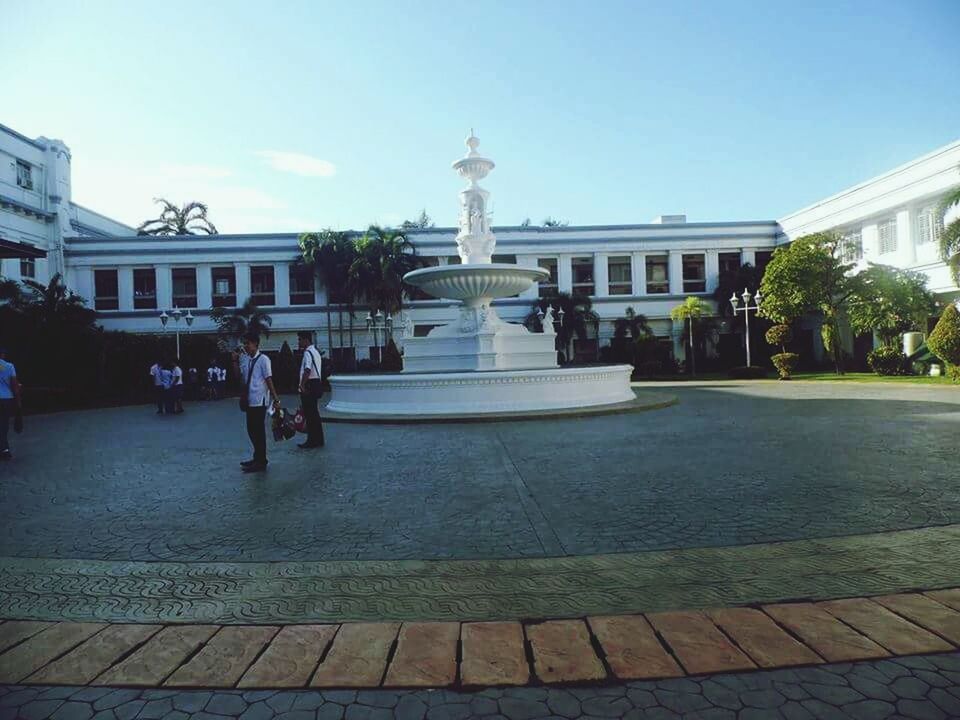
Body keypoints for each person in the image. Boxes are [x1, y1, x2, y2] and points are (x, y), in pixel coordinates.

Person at [233, 333, 281, 473]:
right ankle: (257, 457)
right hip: (249, 400)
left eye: (248, 343)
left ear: (255, 344)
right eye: (245, 344)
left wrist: (275, 399)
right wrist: (234, 361)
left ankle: (261, 461)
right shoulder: (246, 360)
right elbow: (239, 377)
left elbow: (268, 379)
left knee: (258, 431)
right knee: (251, 429)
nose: (245, 346)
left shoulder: (264, 359)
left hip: (260, 400)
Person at [297, 331, 325, 449]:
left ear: (306, 340)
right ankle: (319, 439)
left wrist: (302, 385)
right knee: (314, 413)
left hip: (309, 384)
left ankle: (312, 440)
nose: (298, 342)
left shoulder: (307, 352)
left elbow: (307, 369)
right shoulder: (316, 352)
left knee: (310, 414)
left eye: (300, 339)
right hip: (316, 383)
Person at [0, 347, 22, 461]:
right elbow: (14, 385)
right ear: (2, 354)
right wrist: (18, 400)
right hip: (6, 398)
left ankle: (4, 448)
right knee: (3, 423)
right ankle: (4, 449)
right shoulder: (9, 366)